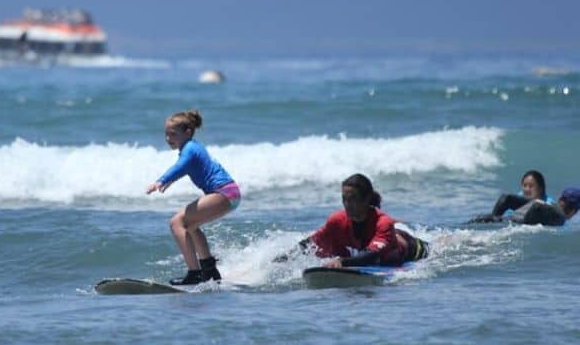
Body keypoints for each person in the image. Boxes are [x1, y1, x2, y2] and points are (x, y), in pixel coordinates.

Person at [146, 110, 241, 285]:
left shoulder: (190, 148)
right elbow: (185, 168)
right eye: (166, 134)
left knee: (176, 222)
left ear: (187, 132)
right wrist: (169, 181)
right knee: (190, 226)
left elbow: (181, 166)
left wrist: (162, 180)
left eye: (173, 134)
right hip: (230, 194)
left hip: (224, 192)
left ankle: (194, 272)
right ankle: (209, 271)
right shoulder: (192, 147)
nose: (168, 139)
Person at [275, 174, 429, 267]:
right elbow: (311, 243)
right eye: (344, 199)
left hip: (411, 249)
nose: (347, 205)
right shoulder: (337, 220)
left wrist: (342, 262)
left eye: (353, 199)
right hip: (383, 236)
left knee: (434, 248)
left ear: (366, 198)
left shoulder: (382, 223)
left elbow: (372, 255)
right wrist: (280, 260)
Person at [471, 186, 580, 227]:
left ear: (560, 199)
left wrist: (494, 220)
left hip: (484, 220)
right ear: (574, 211)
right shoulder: (559, 218)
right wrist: (521, 224)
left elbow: (506, 198)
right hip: (498, 234)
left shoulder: (542, 203)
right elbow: (537, 207)